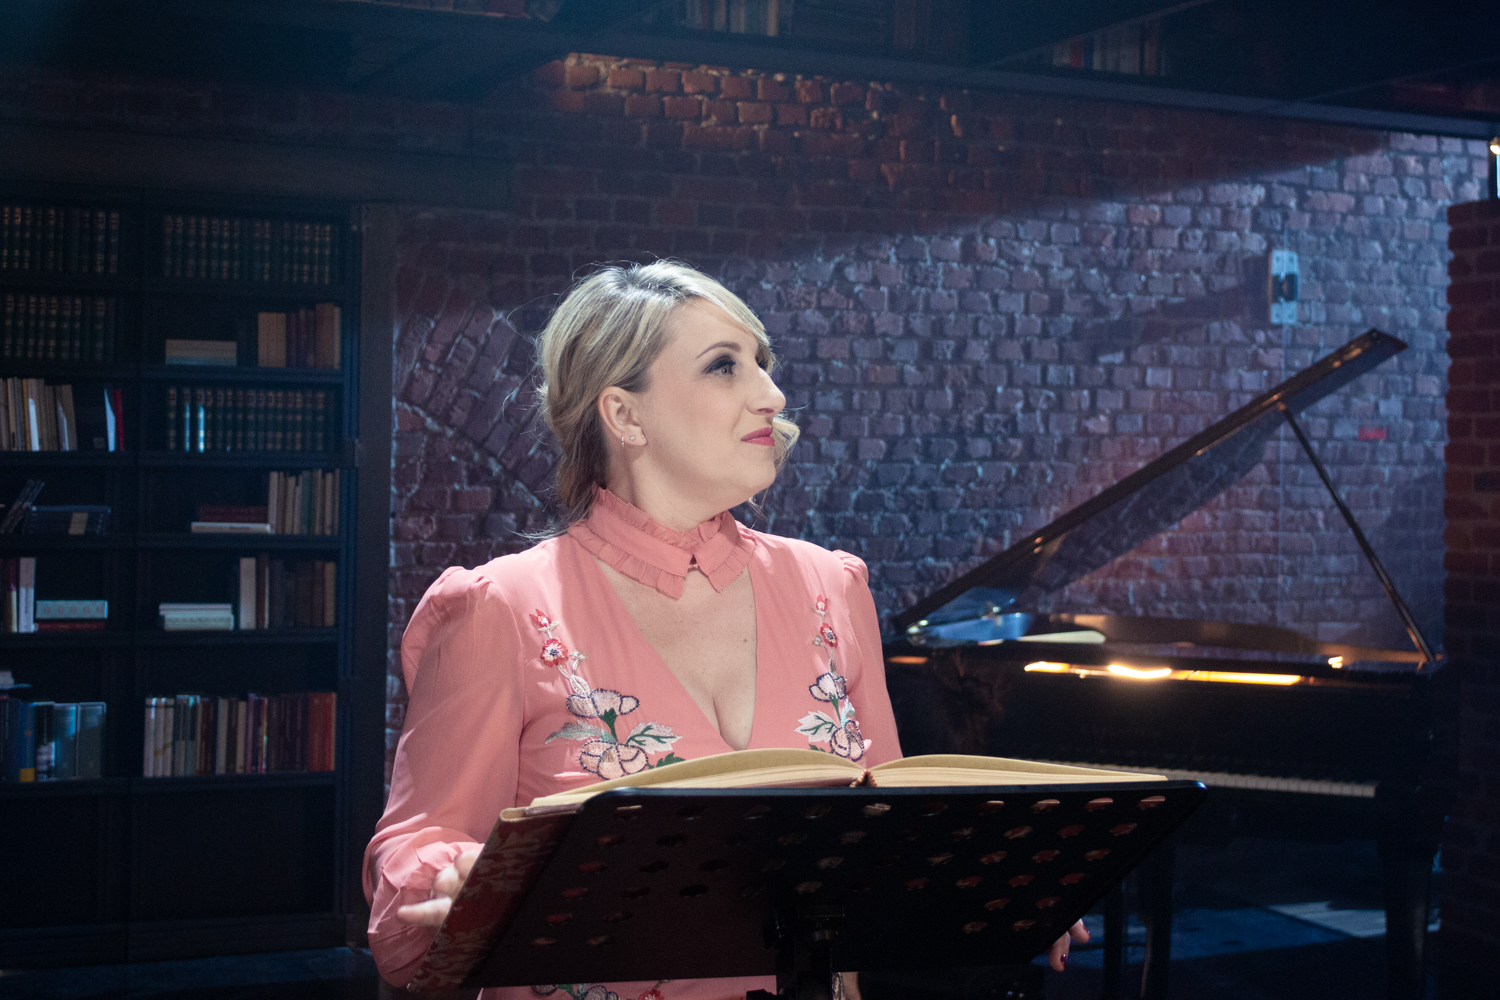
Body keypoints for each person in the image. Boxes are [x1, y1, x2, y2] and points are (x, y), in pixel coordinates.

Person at [363, 262, 1088, 1000]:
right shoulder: (500, 609)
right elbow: (406, 888)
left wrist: (992, 881)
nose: (772, 395)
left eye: (762, 364)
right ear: (624, 415)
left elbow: (889, 833)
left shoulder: (832, 587)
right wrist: (458, 879)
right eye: (723, 366)